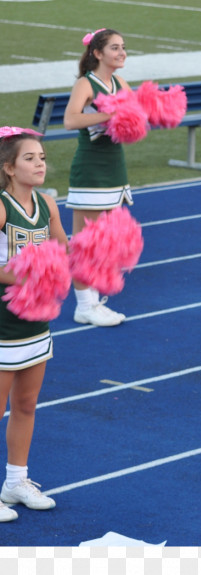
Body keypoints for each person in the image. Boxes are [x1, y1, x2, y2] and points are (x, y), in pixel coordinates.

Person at [0, 129, 68, 523]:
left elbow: (61, 251)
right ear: (9, 168)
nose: (40, 162)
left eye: (41, 156)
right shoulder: (2, 208)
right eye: (29, 158)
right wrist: (23, 273)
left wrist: (99, 248)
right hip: (3, 324)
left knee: (26, 406)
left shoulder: (47, 204)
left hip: (36, 322)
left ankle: (15, 481)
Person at [63, 28, 131, 327]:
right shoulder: (86, 83)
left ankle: (92, 301)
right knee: (86, 243)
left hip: (115, 167)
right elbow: (70, 119)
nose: (121, 52)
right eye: (114, 48)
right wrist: (108, 115)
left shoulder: (118, 82)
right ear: (98, 53)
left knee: (103, 243)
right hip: (91, 169)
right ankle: (84, 305)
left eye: (123, 47)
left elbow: (132, 115)